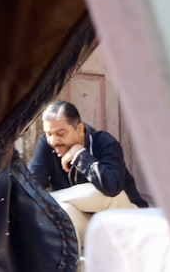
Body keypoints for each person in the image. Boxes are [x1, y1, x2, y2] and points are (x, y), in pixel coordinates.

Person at [29, 100, 148, 249]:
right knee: (64, 209)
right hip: (88, 225)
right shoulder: (47, 145)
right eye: (49, 134)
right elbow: (33, 183)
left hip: (124, 217)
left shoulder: (104, 142)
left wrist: (80, 155)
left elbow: (112, 187)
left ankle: (47, 201)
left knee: (100, 191)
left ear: (79, 129)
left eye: (61, 133)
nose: (54, 140)